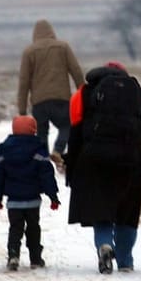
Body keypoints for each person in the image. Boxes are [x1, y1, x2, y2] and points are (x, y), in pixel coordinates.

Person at [64, 61, 141, 274]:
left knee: (102, 207)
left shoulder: (84, 93)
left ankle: (104, 245)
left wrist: (72, 167)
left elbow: (75, 134)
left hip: (95, 159)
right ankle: (126, 260)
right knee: (127, 212)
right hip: (131, 159)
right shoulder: (138, 93)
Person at [0, 115, 60, 272]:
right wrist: (53, 197)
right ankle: (35, 258)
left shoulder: (4, 150)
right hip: (33, 200)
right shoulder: (38, 150)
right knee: (33, 228)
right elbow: (47, 175)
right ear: (33, 130)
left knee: (15, 228)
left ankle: (13, 255)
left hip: (14, 201)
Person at [17, 19, 85, 170]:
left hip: (39, 103)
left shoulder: (29, 52)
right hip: (61, 99)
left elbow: (23, 82)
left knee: (41, 132)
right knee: (67, 125)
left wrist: (22, 111)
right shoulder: (63, 47)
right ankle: (58, 150)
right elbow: (76, 70)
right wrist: (84, 91)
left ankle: (43, 163)